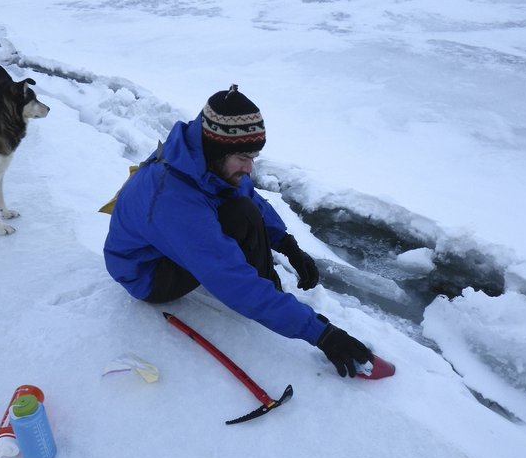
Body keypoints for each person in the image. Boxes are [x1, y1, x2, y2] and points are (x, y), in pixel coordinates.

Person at [103, 85, 373, 377]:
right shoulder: (175, 198)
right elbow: (230, 278)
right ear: (217, 149)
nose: (249, 167)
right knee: (237, 235)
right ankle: (269, 300)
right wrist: (321, 333)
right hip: (146, 274)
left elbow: (249, 198)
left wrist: (287, 244)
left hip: (166, 247)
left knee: (242, 207)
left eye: (254, 157)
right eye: (244, 157)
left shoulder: (202, 160)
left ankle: (270, 297)